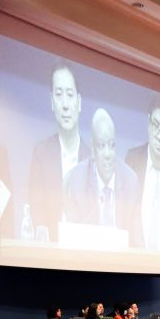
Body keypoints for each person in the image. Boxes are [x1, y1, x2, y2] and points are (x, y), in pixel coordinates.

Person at [26, 61, 90, 242]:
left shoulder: (92, 159)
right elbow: (37, 218)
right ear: (51, 102)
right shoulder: (41, 154)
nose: (65, 104)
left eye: (70, 95)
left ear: (79, 102)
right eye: (59, 94)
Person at [62, 108, 143, 247]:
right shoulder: (77, 180)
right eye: (101, 146)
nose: (107, 154)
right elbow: (71, 242)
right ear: (93, 150)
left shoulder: (130, 181)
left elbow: (138, 244)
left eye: (111, 145)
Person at [124, 96, 160, 253]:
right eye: (155, 125)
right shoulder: (132, 160)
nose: (158, 136)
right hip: (134, 258)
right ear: (148, 123)